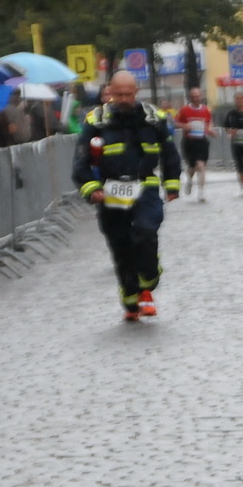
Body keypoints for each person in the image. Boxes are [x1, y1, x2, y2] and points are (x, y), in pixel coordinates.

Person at [71, 71, 181, 320]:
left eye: (127, 94)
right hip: (110, 191)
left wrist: (172, 185)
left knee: (146, 231)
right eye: (117, 94)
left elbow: (170, 153)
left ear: (136, 93)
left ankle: (148, 281)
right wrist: (91, 189)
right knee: (121, 246)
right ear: (109, 91)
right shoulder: (96, 121)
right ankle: (131, 299)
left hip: (145, 186)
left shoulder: (154, 118)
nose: (122, 99)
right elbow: (80, 162)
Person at [174, 87, 214, 199]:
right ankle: (189, 180)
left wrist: (211, 130)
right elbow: (175, 122)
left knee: (201, 166)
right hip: (189, 142)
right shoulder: (184, 110)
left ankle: (201, 192)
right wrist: (184, 126)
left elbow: (209, 123)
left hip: (202, 141)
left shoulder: (206, 110)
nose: (196, 98)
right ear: (191, 98)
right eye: (194, 97)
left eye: (198, 96)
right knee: (192, 167)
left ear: (201, 96)